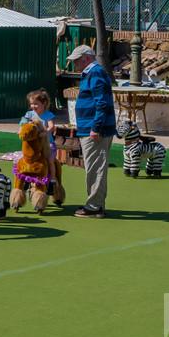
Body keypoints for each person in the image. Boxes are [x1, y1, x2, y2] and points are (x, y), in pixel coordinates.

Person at [68, 45, 117, 218]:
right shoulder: (91, 73)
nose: (74, 64)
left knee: (95, 168)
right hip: (90, 128)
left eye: (76, 60)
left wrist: (96, 128)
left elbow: (101, 103)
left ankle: (94, 206)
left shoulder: (95, 72)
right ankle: (97, 205)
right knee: (95, 167)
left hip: (95, 130)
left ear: (86, 58)